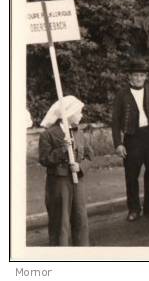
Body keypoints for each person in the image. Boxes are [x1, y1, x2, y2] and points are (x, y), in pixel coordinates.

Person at [112, 58, 149, 222]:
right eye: (135, 75)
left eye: (141, 75)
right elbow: (115, 120)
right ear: (129, 77)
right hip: (132, 137)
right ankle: (134, 209)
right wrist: (118, 143)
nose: (138, 78)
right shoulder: (122, 94)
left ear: (145, 77)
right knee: (131, 175)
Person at [39, 96, 92, 246]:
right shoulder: (48, 134)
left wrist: (80, 167)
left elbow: (90, 155)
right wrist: (63, 149)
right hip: (58, 184)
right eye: (78, 112)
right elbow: (44, 159)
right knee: (60, 222)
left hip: (77, 182)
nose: (81, 115)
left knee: (80, 219)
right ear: (68, 113)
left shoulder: (78, 132)